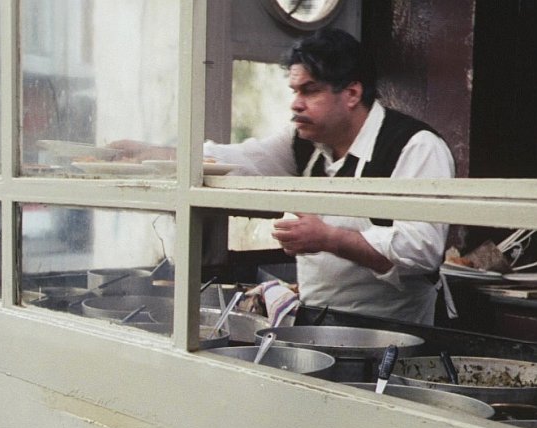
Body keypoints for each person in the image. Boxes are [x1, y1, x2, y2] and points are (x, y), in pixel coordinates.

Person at [115, 28, 455, 325]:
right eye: (295, 91)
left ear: (352, 93)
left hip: (398, 334)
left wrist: (329, 239)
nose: (296, 104)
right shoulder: (304, 144)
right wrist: (155, 155)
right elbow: (237, 161)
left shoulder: (416, 147)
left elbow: (421, 251)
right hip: (318, 321)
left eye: (310, 91)